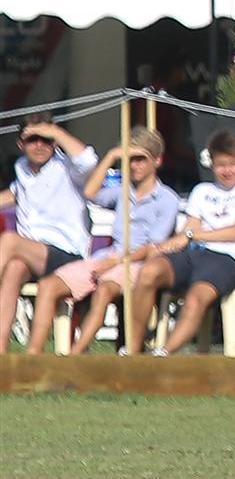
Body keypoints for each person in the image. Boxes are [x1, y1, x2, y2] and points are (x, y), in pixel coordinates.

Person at [27, 127, 179, 354]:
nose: (134, 165)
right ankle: (34, 353)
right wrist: (111, 156)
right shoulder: (122, 190)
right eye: (130, 160)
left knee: (105, 290)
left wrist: (117, 261)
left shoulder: (167, 199)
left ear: (157, 161)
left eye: (140, 159)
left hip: (137, 263)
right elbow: (90, 191)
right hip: (107, 257)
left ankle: (75, 355)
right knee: (48, 285)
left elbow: (153, 247)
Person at [127, 129, 235, 356]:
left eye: (233, 164)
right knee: (149, 271)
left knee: (196, 298)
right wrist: (162, 247)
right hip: (193, 253)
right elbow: (188, 230)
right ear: (211, 164)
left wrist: (193, 236)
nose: (227, 171)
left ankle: (163, 353)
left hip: (228, 259)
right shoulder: (202, 190)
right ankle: (133, 348)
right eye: (221, 165)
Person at [0, 113, 98, 344]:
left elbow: (89, 161)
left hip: (66, 253)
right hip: (33, 255)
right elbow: (15, 193)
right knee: (13, 269)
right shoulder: (22, 168)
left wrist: (54, 131)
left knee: (9, 241)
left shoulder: (67, 168)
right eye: (34, 139)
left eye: (46, 140)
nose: (40, 145)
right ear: (21, 143)